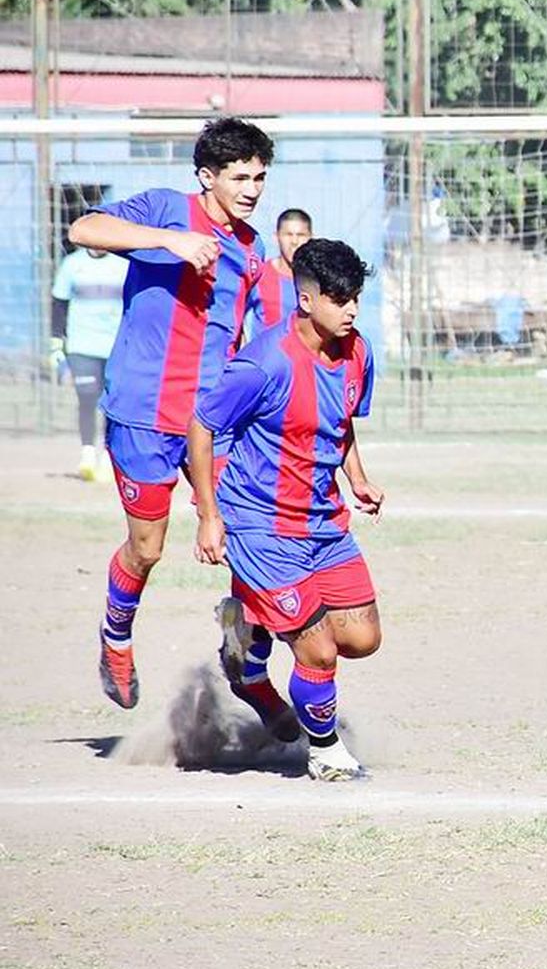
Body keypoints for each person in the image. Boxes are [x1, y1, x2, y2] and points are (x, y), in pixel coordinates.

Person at [67, 117, 274, 711]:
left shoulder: (252, 248)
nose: (253, 189)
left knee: (250, 532)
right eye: (240, 177)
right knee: (148, 548)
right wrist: (170, 241)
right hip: (143, 412)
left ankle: (244, 652)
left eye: (260, 177)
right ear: (207, 176)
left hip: (211, 422)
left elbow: (259, 330)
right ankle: (116, 638)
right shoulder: (164, 208)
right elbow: (85, 227)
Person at [187, 238, 385, 782]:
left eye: (356, 299)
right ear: (305, 299)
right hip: (261, 524)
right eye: (339, 299)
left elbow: (341, 425)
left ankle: (245, 626)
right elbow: (200, 427)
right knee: (319, 651)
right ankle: (324, 750)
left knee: (361, 640)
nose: (350, 310)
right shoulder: (263, 363)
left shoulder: (358, 352)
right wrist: (209, 514)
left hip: (323, 521)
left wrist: (359, 479)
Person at [49, 246, 129, 481]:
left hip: (115, 346)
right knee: (86, 397)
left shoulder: (122, 264)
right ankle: (87, 453)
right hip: (82, 346)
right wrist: (56, 342)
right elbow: (59, 304)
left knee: (112, 402)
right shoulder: (72, 264)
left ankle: (107, 455)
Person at [244, 208, 311, 339]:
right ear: (277, 237)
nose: (294, 242)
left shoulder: (317, 281)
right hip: (264, 357)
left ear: (310, 237)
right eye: (288, 235)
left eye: (301, 235)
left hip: (303, 357)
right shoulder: (259, 274)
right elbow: (236, 317)